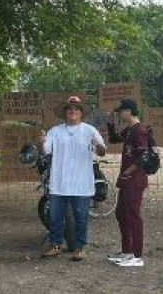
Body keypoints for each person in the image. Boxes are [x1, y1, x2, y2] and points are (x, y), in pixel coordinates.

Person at [40, 96, 106, 261]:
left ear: (81, 113)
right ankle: (55, 245)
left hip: (81, 183)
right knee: (55, 216)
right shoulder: (55, 131)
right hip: (59, 182)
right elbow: (45, 151)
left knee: (81, 217)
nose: (73, 111)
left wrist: (97, 146)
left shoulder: (90, 130)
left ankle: (78, 248)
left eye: (76, 109)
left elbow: (102, 151)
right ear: (64, 113)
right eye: (70, 109)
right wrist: (39, 142)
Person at [107, 98, 149, 268]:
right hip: (126, 181)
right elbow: (114, 139)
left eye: (121, 111)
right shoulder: (130, 129)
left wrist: (127, 172)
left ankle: (137, 255)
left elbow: (143, 156)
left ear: (129, 111)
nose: (120, 114)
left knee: (133, 216)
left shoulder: (139, 131)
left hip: (134, 181)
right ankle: (127, 251)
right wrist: (110, 124)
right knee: (122, 215)